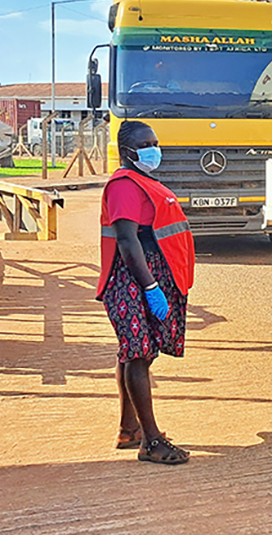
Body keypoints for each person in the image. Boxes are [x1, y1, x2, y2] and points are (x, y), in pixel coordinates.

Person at [96, 120, 195, 465]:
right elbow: (126, 239)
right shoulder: (123, 185)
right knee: (138, 354)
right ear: (128, 152)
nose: (155, 149)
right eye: (146, 144)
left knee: (135, 354)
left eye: (155, 142)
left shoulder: (143, 181)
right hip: (134, 278)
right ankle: (151, 441)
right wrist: (150, 286)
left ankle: (130, 428)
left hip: (149, 275)